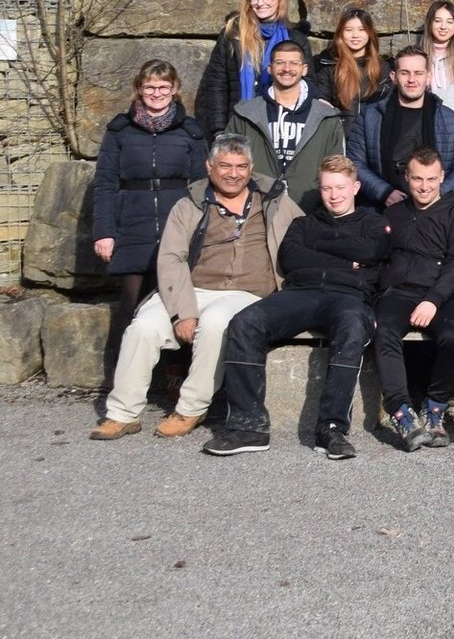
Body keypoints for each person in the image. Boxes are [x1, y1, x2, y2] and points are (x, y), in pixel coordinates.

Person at [89, 134, 296, 442]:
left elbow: (306, 236)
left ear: (251, 168)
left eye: (241, 166)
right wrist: (183, 312)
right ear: (209, 167)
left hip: (246, 293)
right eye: (224, 165)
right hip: (192, 287)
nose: (233, 173)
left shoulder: (274, 200)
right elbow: (171, 258)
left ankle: (190, 408)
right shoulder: (189, 204)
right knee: (142, 327)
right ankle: (123, 413)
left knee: (215, 325)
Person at [202, 155, 389, 459]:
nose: (334, 195)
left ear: (355, 187)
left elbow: (371, 249)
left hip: (349, 297)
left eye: (341, 187)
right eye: (327, 188)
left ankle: (332, 428)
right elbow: (290, 258)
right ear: (320, 188)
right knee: (244, 322)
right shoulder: (303, 223)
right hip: (300, 293)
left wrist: (317, 247)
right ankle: (248, 426)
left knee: (352, 325)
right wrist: (346, 261)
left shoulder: (373, 222)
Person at [370, 148, 454, 452]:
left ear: (442, 177)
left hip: (441, 293)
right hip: (399, 293)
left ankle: (435, 408)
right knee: (384, 331)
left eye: (431, 179)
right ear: (406, 178)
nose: (424, 186)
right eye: (417, 179)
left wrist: (433, 300)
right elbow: (378, 261)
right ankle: (402, 413)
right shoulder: (393, 214)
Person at [91, 60, 207, 338]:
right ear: (139, 90)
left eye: (163, 87)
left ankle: (171, 378)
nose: (157, 93)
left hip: (176, 228)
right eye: (150, 87)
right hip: (132, 228)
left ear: (175, 89)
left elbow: (202, 187)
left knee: (176, 307)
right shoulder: (120, 131)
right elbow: (105, 184)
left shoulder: (191, 132)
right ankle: (123, 379)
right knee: (130, 308)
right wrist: (104, 232)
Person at [225, 38, 346, 212]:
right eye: (280, 63)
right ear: (270, 68)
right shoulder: (246, 113)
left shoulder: (326, 116)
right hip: (256, 207)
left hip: (310, 208)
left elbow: (338, 167)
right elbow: (227, 160)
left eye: (294, 63)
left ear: (304, 69)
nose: (287, 69)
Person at [347, 46, 454, 206]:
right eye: (405, 73)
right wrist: (384, 193)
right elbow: (355, 163)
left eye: (418, 73)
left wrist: (436, 195)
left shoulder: (449, 119)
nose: (411, 79)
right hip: (381, 208)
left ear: (428, 77)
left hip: (437, 210)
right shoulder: (370, 116)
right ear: (393, 76)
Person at [196, 0, 310, 134]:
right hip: (238, 124)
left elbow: (308, 82)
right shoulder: (232, 35)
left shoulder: (296, 38)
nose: (259, 3)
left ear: (279, 0)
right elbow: (217, 84)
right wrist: (219, 130)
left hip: (281, 127)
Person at [308, 6, 388, 116]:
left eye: (362, 29)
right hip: (339, 128)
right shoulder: (328, 65)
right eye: (348, 30)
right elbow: (322, 96)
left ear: (369, 33)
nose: (355, 35)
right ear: (341, 33)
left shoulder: (382, 67)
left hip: (369, 130)